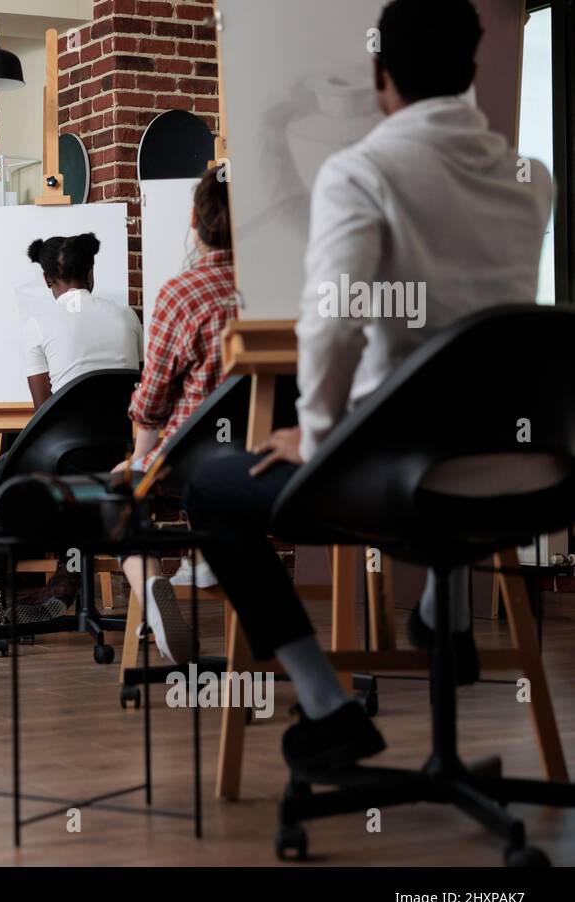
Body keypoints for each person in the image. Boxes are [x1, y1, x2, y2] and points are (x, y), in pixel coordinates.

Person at [183, 0, 553, 771]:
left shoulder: (363, 169)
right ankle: (441, 614)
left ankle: (330, 707)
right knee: (451, 460)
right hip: (523, 469)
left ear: (380, 76)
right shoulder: (531, 181)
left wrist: (315, 436)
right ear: (471, 70)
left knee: (212, 490)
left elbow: (332, 324)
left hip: (407, 473)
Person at [0, 232, 144, 636]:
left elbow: (44, 413)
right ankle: (70, 577)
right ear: (90, 271)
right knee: (82, 481)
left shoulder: (38, 324)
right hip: (119, 458)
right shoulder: (128, 317)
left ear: (49, 281)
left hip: (63, 461)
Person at [112, 165, 236, 664]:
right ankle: (213, 557)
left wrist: (139, 461)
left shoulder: (183, 294)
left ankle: (152, 583)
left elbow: (152, 401)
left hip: (190, 464)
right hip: (271, 460)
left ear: (194, 219)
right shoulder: (286, 291)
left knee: (118, 496)